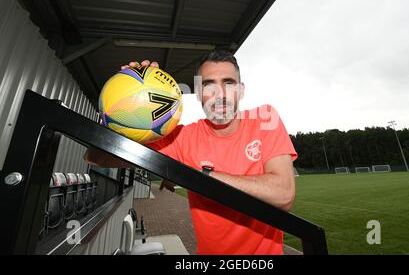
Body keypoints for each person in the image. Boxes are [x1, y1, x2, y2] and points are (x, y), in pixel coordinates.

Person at [84, 50, 298, 255]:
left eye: (229, 83)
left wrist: (204, 176)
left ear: (241, 90)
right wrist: (124, 107)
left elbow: (284, 194)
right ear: (198, 93)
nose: (220, 95)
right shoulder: (182, 139)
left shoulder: (265, 120)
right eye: (208, 85)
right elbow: (95, 157)